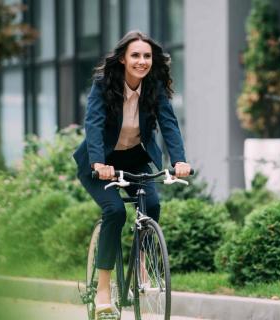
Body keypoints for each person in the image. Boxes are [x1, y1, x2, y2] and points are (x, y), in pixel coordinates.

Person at [73, 30, 191, 318]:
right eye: (135, 55)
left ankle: (141, 260)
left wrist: (179, 160)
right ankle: (103, 289)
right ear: (123, 59)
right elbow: (95, 124)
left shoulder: (155, 87)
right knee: (115, 212)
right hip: (99, 164)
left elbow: (169, 124)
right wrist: (99, 164)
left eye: (147, 56)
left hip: (135, 160)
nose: (142, 61)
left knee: (152, 205)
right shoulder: (104, 85)